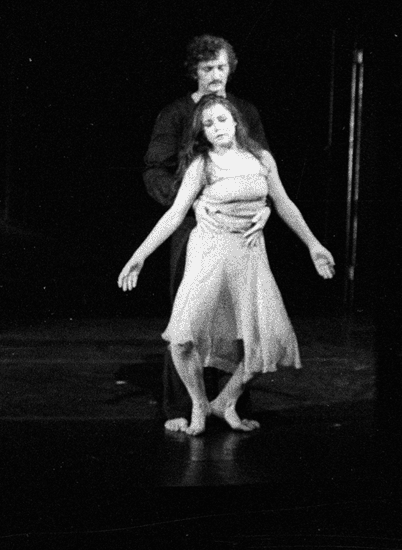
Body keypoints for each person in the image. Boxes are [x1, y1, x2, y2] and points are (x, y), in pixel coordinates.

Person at [119, 93, 334, 434]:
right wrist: (138, 256)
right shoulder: (201, 164)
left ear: (236, 122)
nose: (216, 128)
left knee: (267, 343)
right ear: (201, 133)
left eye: (221, 119)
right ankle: (200, 406)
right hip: (210, 252)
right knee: (183, 338)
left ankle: (225, 402)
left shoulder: (261, 158)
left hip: (249, 256)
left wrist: (313, 244)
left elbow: (284, 203)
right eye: (207, 124)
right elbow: (175, 214)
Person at [144, 35, 270, 418]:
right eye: (207, 68)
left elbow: (262, 165)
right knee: (190, 316)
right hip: (194, 228)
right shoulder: (176, 114)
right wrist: (189, 201)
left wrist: (264, 208)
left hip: (241, 229)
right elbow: (154, 169)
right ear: (194, 71)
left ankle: (229, 404)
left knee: (238, 316)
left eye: (221, 67)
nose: (215, 75)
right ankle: (184, 406)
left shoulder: (244, 111)